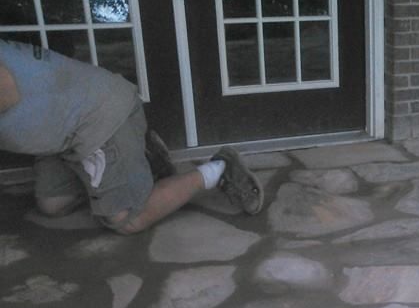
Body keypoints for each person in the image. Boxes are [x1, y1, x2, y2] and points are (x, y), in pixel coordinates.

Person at [0, 39, 263, 234]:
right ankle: (142, 160)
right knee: (53, 206)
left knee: (125, 219)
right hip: (61, 136)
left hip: (98, 118)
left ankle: (219, 169)